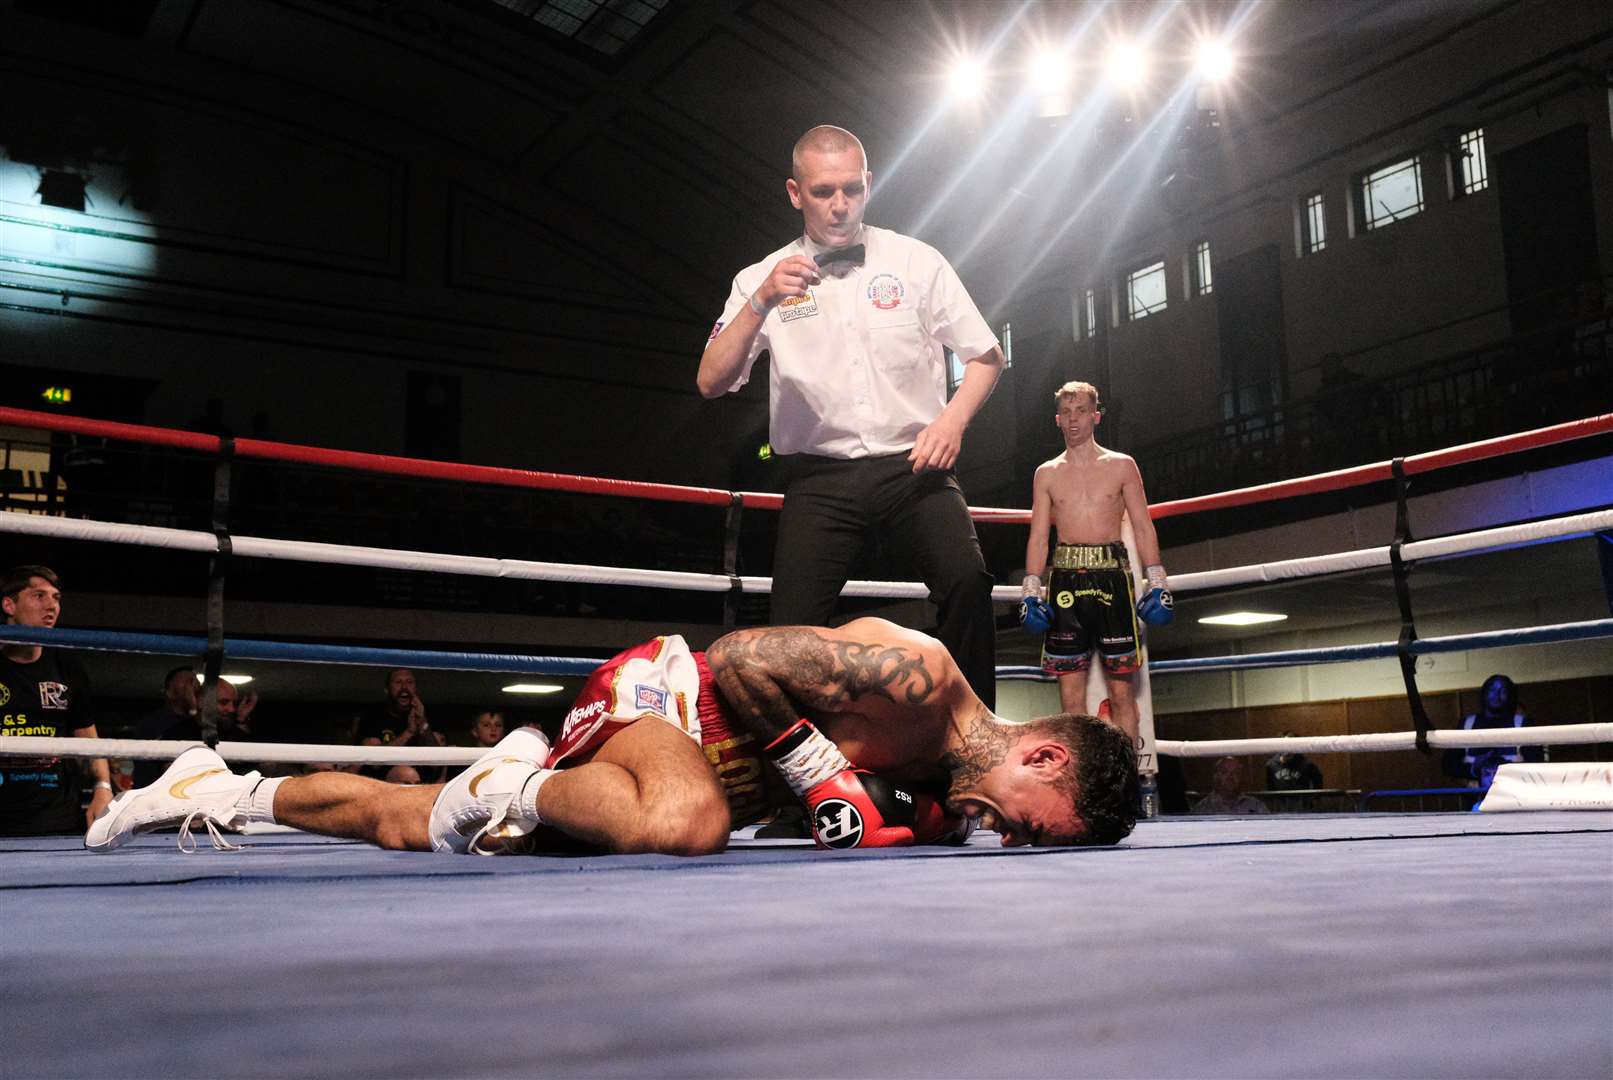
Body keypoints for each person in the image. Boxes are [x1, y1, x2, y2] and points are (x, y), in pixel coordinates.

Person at [87, 618, 1139, 856]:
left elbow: (830, 834)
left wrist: (857, 817)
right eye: (1037, 828)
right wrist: (817, 768)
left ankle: (213, 789)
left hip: (667, 775)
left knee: (416, 825)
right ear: (1044, 756)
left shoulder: (945, 799)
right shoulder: (916, 675)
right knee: (685, 824)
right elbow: (739, 658)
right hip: (667, 701)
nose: (1013, 839)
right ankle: (513, 773)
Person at [696, 125, 1005, 708]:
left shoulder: (915, 260)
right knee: (789, 633)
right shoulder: (759, 278)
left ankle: (976, 750)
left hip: (913, 466)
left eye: (851, 189)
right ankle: (800, 774)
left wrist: (951, 421)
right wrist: (760, 302)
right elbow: (711, 381)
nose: (839, 205)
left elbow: (987, 356)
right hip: (819, 479)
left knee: (968, 581)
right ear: (795, 193)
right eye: (822, 192)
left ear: (868, 184)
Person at [1020, 381, 1173, 748]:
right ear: (1057, 420)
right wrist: (1030, 590)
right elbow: (1039, 536)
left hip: (1113, 580)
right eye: (1067, 413)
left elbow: (1141, 524)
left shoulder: (1122, 465)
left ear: (1096, 416)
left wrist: (1158, 582)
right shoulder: (1046, 473)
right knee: (1071, 702)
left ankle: (1125, 786)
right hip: (1065, 582)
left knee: (1122, 693)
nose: (1074, 420)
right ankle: (1083, 791)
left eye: (1081, 412)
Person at [0, 565, 111, 835]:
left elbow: (87, 736)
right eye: (39, 595)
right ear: (9, 605)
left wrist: (102, 788)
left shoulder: (67, 665)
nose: (51, 606)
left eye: (56, 597)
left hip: (56, 819)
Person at [1442, 673, 1542, 787]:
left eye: (1503, 691)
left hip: (1514, 794)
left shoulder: (1522, 724)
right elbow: (1448, 764)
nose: (1497, 695)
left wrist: (1503, 767)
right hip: (1474, 797)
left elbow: (1536, 763)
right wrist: (1475, 769)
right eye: (1492, 690)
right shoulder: (1467, 724)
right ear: (1485, 693)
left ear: (1510, 695)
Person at [356, 668, 446, 784]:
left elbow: (438, 762)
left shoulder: (428, 714)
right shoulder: (373, 717)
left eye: (409, 682)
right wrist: (408, 733)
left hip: (422, 788)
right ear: (387, 690)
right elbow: (374, 763)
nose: (404, 688)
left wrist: (423, 724)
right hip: (383, 787)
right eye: (398, 682)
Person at [132, 665, 199, 788]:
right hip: (152, 791)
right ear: (169, 692)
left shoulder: (202, 722)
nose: (192, 688)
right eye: (187, 684)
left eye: (194, 683)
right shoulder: (151, 723)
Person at [1192, 757, 1270, 816]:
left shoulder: (1256, 806)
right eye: (1224, 772)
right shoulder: (1203, 809)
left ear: (1241, 777)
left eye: (1236, 773)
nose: (1230, 777)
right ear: (1216, 776)